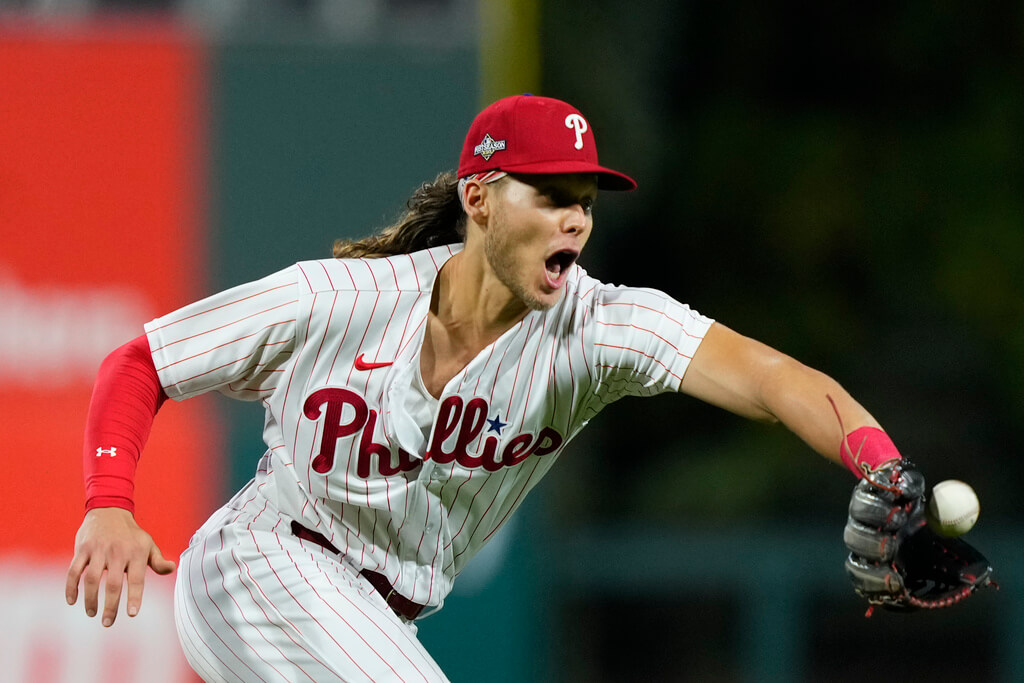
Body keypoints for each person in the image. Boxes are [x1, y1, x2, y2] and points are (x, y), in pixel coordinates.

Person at [66, 94, 908, 682]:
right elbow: (139, 363)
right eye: (549, 195)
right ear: (479, 197)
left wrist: (884, 470)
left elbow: (770, 377)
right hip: (259, 564)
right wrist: (109, 499)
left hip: (375, 619)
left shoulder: (599, 329)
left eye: (584, 200)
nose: (574, 219)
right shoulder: (340, 301)